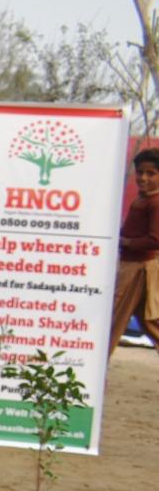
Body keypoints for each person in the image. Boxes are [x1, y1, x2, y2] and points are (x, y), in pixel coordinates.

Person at [111, 146, 159, 354]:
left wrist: (125, 242)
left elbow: (155, 239)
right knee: (148, 321)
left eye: (151, 173)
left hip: (139, 268)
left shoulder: (155, 202)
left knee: (114, 318)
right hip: (131, 265)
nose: (143, 178)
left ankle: (96, 367)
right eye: (140, 172)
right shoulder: (142, 199)